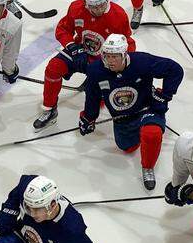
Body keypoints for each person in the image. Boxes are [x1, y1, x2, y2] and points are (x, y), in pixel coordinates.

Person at [78, 33, 184, 190]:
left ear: (124, 54)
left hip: (147, 109)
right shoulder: (95, 70)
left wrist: (164, 95)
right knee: (127, 148)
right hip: (122, 117)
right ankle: (138, 135)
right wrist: (88, 117)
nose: (110, 61)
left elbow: (175, 70)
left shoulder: (142, 62)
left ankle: (148, 167)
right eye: (107, 56)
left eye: (115, 57)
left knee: (151, 134)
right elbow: (92, 96)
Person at [33, 0, 135, 130]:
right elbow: (62, 29)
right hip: (79, 52)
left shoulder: (118, 15)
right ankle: (49, 109)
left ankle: (94, 101)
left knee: (98, 93)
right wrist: (73, 47)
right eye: (94, 6)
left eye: (102, 4)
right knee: (53, 68)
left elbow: (128, 42)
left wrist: (124, 66)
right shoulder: (76, 8)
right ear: (86, 4)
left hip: (104, 59)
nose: (99, 9)